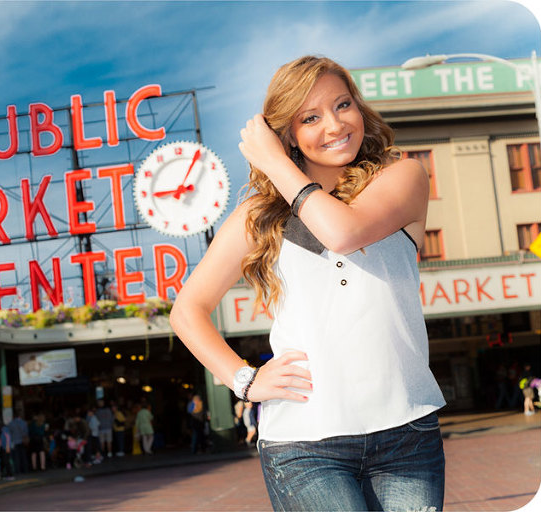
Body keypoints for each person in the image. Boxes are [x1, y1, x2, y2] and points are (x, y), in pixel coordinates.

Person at [170, 55, 446, 511]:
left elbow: (343, 231)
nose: (335, 125)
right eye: (310, 117)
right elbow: (187, 311)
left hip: (407, 432)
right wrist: (245, 381)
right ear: (288, 134)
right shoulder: (256, 217)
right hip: (303, 444)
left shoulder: (403, 176)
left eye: (343, 105)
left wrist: (276, 164)